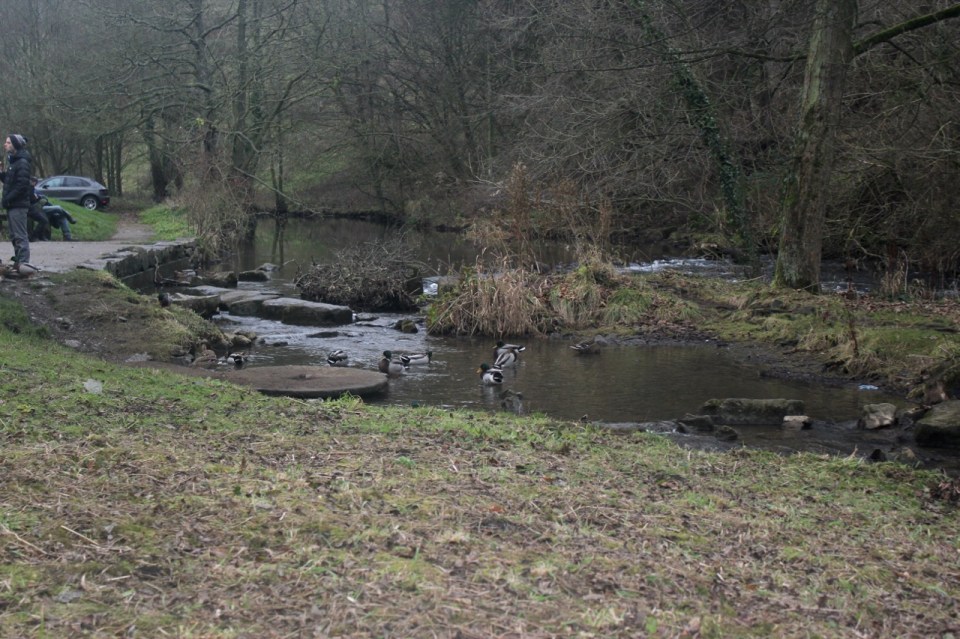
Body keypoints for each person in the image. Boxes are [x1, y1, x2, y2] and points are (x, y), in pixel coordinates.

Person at [2, 134, 33, 269]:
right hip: (12, 205)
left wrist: (8, 199)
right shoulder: (14, 162)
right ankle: (18, 262)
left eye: (8, 142)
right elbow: (10, 181)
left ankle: (24, 263)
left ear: (16, 145)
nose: (5, 145)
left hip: (18, 205)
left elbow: (21, 185)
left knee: (20, 235)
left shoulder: (22, 162)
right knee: (14, 235)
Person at [27, 176, 50, 242]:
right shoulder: (30, 188)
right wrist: (38, 198)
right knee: (44, 220)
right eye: (34, 182)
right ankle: (34, 236)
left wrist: (38, 198)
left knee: (44, 218)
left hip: (30, 208)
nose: (35, 183)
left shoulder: (29, 188)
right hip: (30, 208)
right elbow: (33, 199)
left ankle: (39, 236)